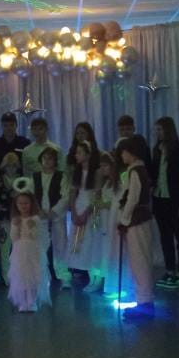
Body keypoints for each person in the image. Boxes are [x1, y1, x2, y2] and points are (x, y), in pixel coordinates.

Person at [118, 135, 154, 319]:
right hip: (141, 219)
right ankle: (143, 300)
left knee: (139, 261)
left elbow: (132, 198)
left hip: (136, 220)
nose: (122, 155)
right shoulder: (139, 170)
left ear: (131, 152)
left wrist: (123, 220)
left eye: (124, 152)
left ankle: (144, 303)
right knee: (141, 260)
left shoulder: (135, 171)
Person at [151, 117, 179, 288]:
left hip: (176, 200)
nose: (157, 133)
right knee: (165, 238)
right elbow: (154, 173)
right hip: (160, 199)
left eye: (160, 129)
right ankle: (170, 270)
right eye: (156, 130)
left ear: (168, 130)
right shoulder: (157, 150)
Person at [33, 146, 71, 289]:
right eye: (45, 158)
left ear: (55, 161)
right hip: (40, 217)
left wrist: (53, 211)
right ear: (40, 160)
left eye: (50, 158)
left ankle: (64, 276)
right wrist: (38, 211)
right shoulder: (35, 177)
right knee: (40, 247)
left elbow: (66, 196)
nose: (47, 161)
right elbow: (31, 196)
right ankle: (42, 277)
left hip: (56, 217)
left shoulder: (61, 176)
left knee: (60, 246)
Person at [67, 140, 102, 291]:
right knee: (77, 242)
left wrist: (86, 213)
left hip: (90, 209)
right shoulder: (77, 171)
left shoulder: (97, 172)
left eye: (80, 152)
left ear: (88, 154)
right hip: (78, 206)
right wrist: (74, 211)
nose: (76, 155)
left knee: (90, 241)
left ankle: (95, 276)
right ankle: (80, 272)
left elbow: (97, 195)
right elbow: (72, 192)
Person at [98, 152, 133, 299]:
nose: (103, 169)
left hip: (114, 221)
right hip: (107, 221)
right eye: (101, 166)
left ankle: (121, 286)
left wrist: (106, 204)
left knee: (118, 253)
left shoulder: (120, 183)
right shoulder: (107, 183)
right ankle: (112, 285)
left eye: (105, 165)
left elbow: (118, 202)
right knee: (110, 254)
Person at [8, 192, 50, 312]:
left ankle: (32, 301)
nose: (23, 206)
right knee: (21, 275)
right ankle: (23, 301)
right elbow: (13, 238)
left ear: (31, 204)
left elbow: (37, 236)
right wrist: (15, 226)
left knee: (34, 275)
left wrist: (32, 227)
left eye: (26, 203)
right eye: (20, 203)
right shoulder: (16, 219)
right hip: (19, 251)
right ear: (16, 205)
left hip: (33, 250)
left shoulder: (35, 219)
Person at [0, 152, 20, 285]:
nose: (11, 169)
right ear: (4, 166)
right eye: (8, 166)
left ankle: (18, 276)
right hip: (3, 219)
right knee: (4, 249)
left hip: (19, 220)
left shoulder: (22, 181)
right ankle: (7, 277)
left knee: (19, 249)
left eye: (14, 166)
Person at [0, 112, 30, 196]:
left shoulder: (25, 143)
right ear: (1, 126)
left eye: (11, 125)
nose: (9, 128)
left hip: (20, 186)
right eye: (5, 125)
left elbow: (28, 168)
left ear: (16, 125)